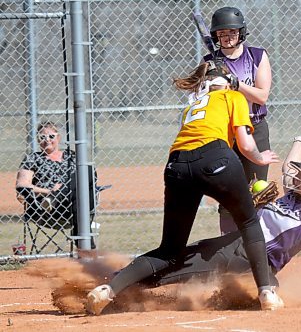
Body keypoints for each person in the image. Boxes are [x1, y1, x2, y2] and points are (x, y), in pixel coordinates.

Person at [86, 110, 301, 314]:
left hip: (246, 259)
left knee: (174, 271)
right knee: (178, 258)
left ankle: (111, 293)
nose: (295, 178)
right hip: (232, 244)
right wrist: (299, 141)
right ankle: (114, 284)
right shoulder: (294, 197)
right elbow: (289, 166)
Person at [86, 60, 282, 315]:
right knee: (249, 224)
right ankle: (266, 292)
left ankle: (108, 290)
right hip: (216, 158)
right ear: (226, 81)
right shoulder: (233, 96)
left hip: (176, 165)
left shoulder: (192, 104)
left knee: (169, 250)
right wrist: (260, 158)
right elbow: (245, 145)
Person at [205, 6, 274, 234]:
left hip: (255, 128)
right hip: (225, 132)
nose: (227, 37)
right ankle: (227, 246)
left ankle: (258, 245)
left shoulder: (257, 56)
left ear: (241, 32)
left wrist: (236, 84)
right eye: (222, 33)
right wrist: (216, 82)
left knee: (258, 190)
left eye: (232, 32)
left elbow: (262, 95)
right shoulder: (209, 62)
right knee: (227, 192)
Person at [15, 121, 97, 249]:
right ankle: (88, 248)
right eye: (42, 137)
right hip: (47, 208)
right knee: (80, 196)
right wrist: (47, 191)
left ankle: (57, 196)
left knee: (88, 170)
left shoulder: (72, 156)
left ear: (58, 138)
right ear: (38, 140)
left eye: (51, 136)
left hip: (73, 202)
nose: (47, 140)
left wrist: (58, 192)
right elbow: (22, 185)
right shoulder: (33, 158)